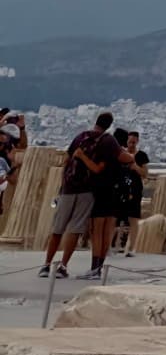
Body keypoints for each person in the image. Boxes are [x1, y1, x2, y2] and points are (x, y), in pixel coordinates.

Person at [41, 111, 113, 278]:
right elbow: (97, 169)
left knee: (57, 229)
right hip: (86, 190)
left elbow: (66, 160)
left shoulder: (80, 137)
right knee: (74, 229)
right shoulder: (104, 142)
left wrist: (63, 183)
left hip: (68, 188)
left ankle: (46, 265)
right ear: (109, 125)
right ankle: (63, 266)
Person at [87, 127, 138, 277]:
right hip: (116, 195)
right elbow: (131, 160)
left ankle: (94, 266)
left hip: (102, 192)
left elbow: (96, 169)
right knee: (107, 230)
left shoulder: (108, 152)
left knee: (97, 231)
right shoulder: (124, 156)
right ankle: (99, 267)